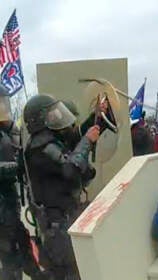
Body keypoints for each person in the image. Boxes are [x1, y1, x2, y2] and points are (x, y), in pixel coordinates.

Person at [23, 94, 101, 280]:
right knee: (69, 272)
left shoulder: (50, 141)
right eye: (51, 114)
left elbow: (73, 137)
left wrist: (95, 117)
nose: (57, 118)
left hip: (62, 219)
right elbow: (70, 169)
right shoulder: (41, 147)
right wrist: (87, 141)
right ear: (41, 119)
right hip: (56, 226)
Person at [0, 85, 50, 280]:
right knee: (10, 255)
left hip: (9, 203)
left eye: (5, 102)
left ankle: (37, 275)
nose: (4, 106)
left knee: (22, 244)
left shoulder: (9, 131)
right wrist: (16, 166)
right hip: (1, 209)